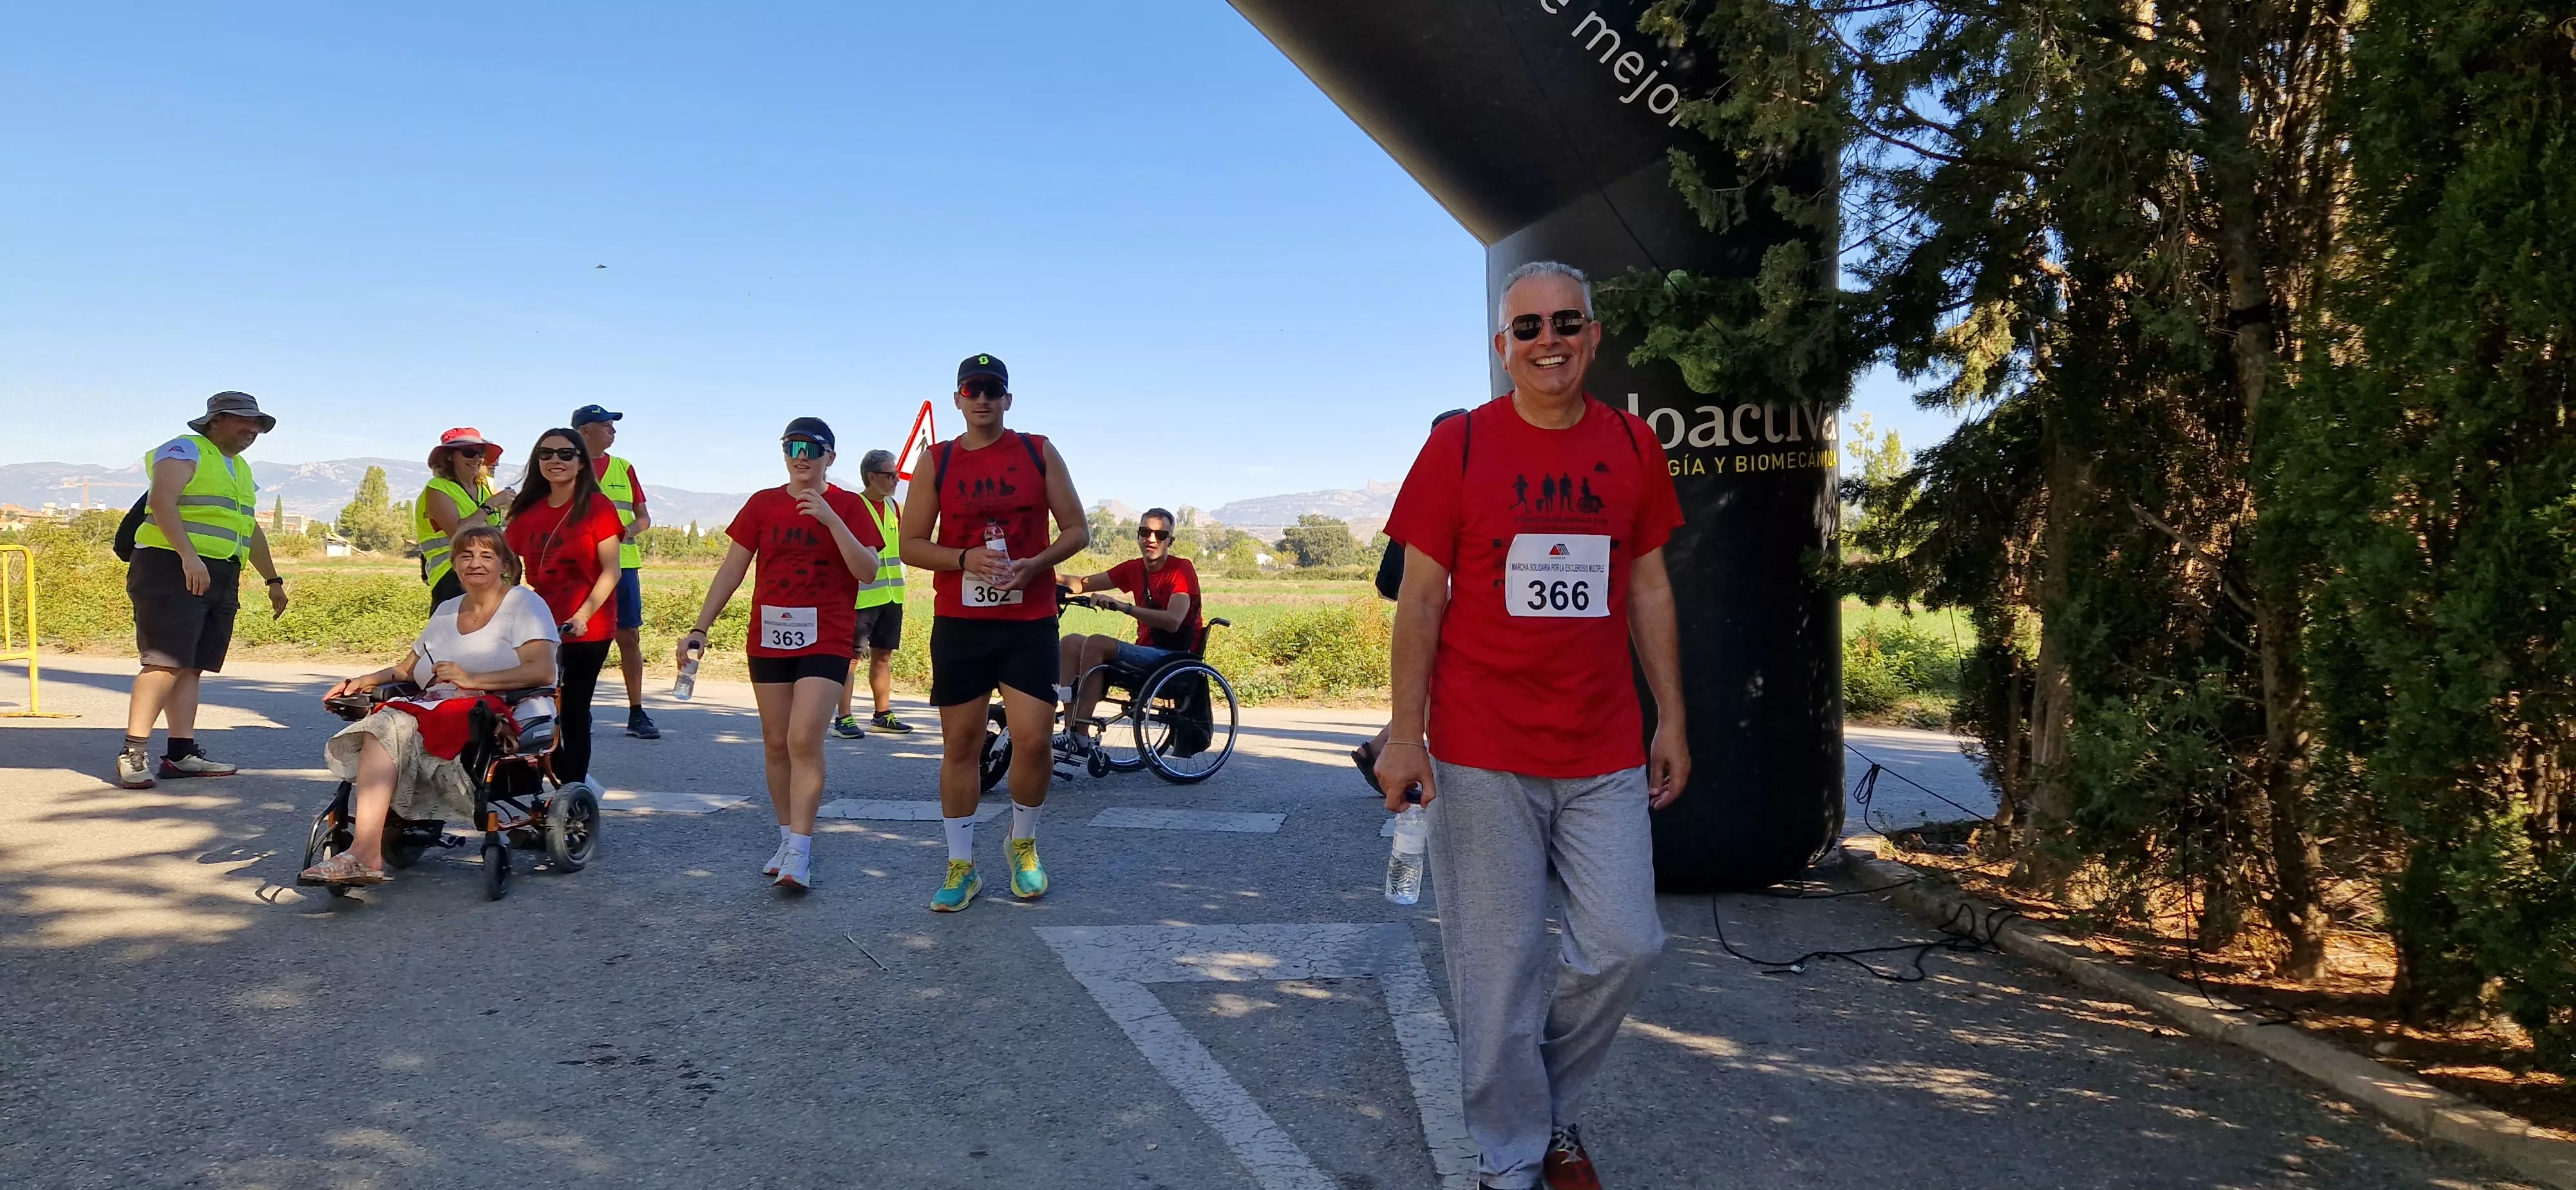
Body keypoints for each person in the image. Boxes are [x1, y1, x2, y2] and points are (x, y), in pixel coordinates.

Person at [1374, 261, 1690, 1190]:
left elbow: (1648, 587)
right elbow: (1420, 599)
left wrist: (1671, 717)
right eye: (1528, 329)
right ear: (1501, 347)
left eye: (1566, 323)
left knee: (1628, 943)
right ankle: (1515, 1150)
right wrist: (1405, 733)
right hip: (1481, 749)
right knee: (1499, 965)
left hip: (1601, 747)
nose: (1548, 341)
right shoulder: (1461, 447)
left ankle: (1544, 1104)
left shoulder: (1632, 445)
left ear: (1593, 335)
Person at [897, 353, 1088, 912]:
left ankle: (1022, 846)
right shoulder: (939, 461)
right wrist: (963, 558)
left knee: (1033, 740)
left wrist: (1035, 565)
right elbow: (911, 545)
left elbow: (1077, 529)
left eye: (993, 389)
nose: (982, 398)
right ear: (958, 398)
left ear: (1008, 398)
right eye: (972, 389)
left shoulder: (1038, 450)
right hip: (961, 623)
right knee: (963, 744)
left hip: (1028, 620)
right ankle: (962, 866)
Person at [674, 418, 882, 891]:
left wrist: (830, 518)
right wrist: (699, 628)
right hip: (769, 636)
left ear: (831, 456)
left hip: (826, 635)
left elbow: (867, 570)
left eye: (812, 447)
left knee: (804, 739)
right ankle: (787, 839)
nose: (801, 455)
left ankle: (802, 854)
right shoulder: (763, 504)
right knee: (775, 743)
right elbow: (732, 569)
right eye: (792, 446)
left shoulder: (850, 505)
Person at [302, 527, 560, 886]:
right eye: (466, 556)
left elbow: (543, 670)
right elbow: (406, 670)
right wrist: (364, 681)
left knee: (390, 725)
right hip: (435, 708)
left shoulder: (524, 603)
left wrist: (472, 681)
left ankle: (363, 854)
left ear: (505, 564)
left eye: (487, 556)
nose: (476, 564)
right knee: (383, 726)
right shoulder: (447, 609)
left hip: (503, 710)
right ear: (454, 564)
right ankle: (365, 850)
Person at [117, 392, 291, 789]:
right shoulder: (184, 449)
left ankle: (181, 754)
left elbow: (250, 528)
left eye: (258, 425)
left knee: (193, 664)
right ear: (215, 420)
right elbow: (163, 503)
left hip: (221, 571)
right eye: (244, 421)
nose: (253, 430)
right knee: (164, 661)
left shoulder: (240, 469)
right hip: (170, 565)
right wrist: (189, 557)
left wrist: (273, 580)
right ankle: (133, 751)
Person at [1351, 408, 1470, 794]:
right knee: (1440, 685)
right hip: (1435, 604)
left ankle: (1380, 749)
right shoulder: (1443, 480)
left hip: (1428, 602)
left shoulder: (1429, 476)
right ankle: (1399, 753)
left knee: (1436, 684)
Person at [503, 429, 626, 787]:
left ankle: (571, 788)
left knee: (571, 709)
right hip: (538, 623)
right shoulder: (527, 510)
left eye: (565, 455)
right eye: (546, 454)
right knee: (531, 705)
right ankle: (537, 783)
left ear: (581, 463)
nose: (555, 461)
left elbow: (611, 570)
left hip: (588, 624)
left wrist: (584, 615)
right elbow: (511, 569)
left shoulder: (597, 508)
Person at [1055, 505, 1199, 751]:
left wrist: (1124, 607)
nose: (1151, 539)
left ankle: (1081, 734)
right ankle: (1070, 730)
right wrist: (1040, 572)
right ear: (1139, 535)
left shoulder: (1180, 570)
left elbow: (1174, 621)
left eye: (1160, 535)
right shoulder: (1134, 569)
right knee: (1070, 642)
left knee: (1097, 643)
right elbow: (1082, 584)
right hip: (1143, 651)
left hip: (1172, 656)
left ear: (1170, 541)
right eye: (1145, 532)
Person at [572, 404, 661, 741]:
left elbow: (643, 518)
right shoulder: (567, 464)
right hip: (579, 568)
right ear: (584, 431)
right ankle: (572, 711)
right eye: (606, 425)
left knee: (629, 636)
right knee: (575, 639)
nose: (613, 431)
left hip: (623, 566)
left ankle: (637, 712)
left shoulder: (624, 468)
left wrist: (624, 532)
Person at [833, 448, 915, 739]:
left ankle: (882, 714)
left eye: (897, 475)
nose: (896, 480)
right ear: (872, 477)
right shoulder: (853, 506)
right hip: (863, 598)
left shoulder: (894, 506)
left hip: (893, 595)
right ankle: (844, 718)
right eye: (890, 475)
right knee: (851, 659)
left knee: (883, 657)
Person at [415, 428, 513, 610]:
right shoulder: (437, 488)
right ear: (450, 456)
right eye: (469, 453)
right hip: (452, 575)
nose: (477, 459)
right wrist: (490, 504)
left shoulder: (486, 486)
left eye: (481, 453)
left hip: (492, 573)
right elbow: (459, 533)